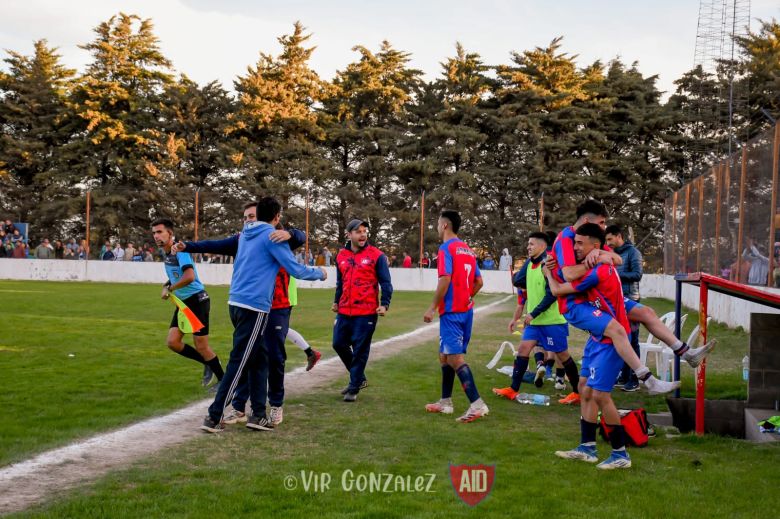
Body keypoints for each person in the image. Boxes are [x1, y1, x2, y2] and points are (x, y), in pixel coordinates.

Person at [177, 201, 323, 426]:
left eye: (250, 215)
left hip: (236, 302)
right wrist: (320, 273)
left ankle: (258, 414)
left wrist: (188, 245)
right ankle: (215, 415)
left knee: (259, 358)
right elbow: (296, 270)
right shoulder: (271, 237)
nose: (247, 220)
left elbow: (216, 244)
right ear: (276, 216)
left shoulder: (245, 235)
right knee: (240, 362)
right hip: (254, 307)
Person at [548, 200, 714, 393]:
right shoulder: (566, 239)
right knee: (617, 332)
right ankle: (645, 378)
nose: (604, 227)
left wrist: (599, 252)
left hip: (595, 296)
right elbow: (568, 275)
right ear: (587, 220)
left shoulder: (592, 239)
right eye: (602, 222)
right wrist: (592, 260)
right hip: (576, 302)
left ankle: (686, 352)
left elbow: (617, 259)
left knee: (647, 313)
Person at [545, 224, 634, 469]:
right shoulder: (599, 262)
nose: (574, 248)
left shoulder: (597, 270)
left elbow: (564, 284)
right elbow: (613, 258)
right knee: (584, 387)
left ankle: (620, 454)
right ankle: (587, 448)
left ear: (594, 245)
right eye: (574, 243)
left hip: (610, 339)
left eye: (579, 243)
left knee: (600, 394)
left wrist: (549, 273)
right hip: (597, 337)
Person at [493, 232, 580, 405]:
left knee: (562, 355)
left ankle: (578, 393)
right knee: (524, 349)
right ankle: (513, 389)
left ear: (542, 246)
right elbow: (517, 280)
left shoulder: (549, 265)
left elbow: (552, 295)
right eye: (528, 244)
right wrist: (527, 263)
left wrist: (533, 313)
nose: (528, 247)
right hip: (535, 322)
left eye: (531, 244)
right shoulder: (531, 264)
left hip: (552, 321)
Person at [424, 210, 488, 423]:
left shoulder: (446, 248)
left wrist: (432, 307)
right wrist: (465, 297)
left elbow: (445, 279)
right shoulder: (468, 250)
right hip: (466, 310)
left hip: (452, 312)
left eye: (437, 223)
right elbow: (479, 282)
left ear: (444, 226)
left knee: (454, 357)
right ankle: (445, 402)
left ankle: (477, 404)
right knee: (444, 355)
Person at [151, 218, 225, 391]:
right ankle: (208, 362)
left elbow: (190, 276)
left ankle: (224, 380)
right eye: (154, 233)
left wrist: (171, 288)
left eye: (160, 232)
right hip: (184, 303)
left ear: (170, 233)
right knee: (173, 342)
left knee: (202, 345)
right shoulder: (166, 253)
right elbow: (176, 276)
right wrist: (167, 285)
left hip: (197, 301)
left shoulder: (179, 251)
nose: (156, 236)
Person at [332, 218, 393, 402]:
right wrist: (336, 301)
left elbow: (386, 283)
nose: (363, 234)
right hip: (344, 311)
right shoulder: (341, 256)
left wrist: (385, 303)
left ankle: (353, 387)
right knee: (338, 344)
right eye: (358, 231)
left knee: (360, 350)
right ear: (349, 234)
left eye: (364, 231)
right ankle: (359, 379)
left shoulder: (377, 255)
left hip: (366, 312)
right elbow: (340, 282)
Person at [605, 224, 643, 392]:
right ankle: (624, 375)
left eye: (610, 239)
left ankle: (635, 378)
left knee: (632, 340)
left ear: (619, 236)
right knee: (621, 339)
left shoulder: (633, 252)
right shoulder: (610, 253)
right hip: (616, 301)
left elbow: (637, 275)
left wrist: (615, 274)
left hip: (631, 300)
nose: (608, 242)